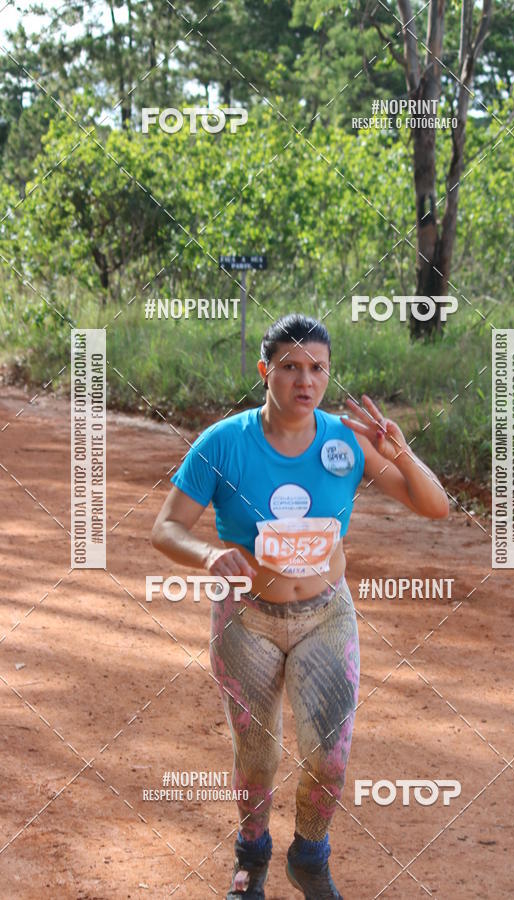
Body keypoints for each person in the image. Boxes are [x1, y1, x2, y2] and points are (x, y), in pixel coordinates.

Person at [151, 313, 449, 899]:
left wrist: (403, 454)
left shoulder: (346, 441)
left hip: (325, 615)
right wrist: (208, 555)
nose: (304, 380)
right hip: (246, 620)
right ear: (266, 371)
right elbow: (166, 528)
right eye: (290, 367)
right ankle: (251, 858)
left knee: (330, 755)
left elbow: (434, 507)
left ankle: (310, 855)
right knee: (257, 756)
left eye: (317, 368)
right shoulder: (223, 443)